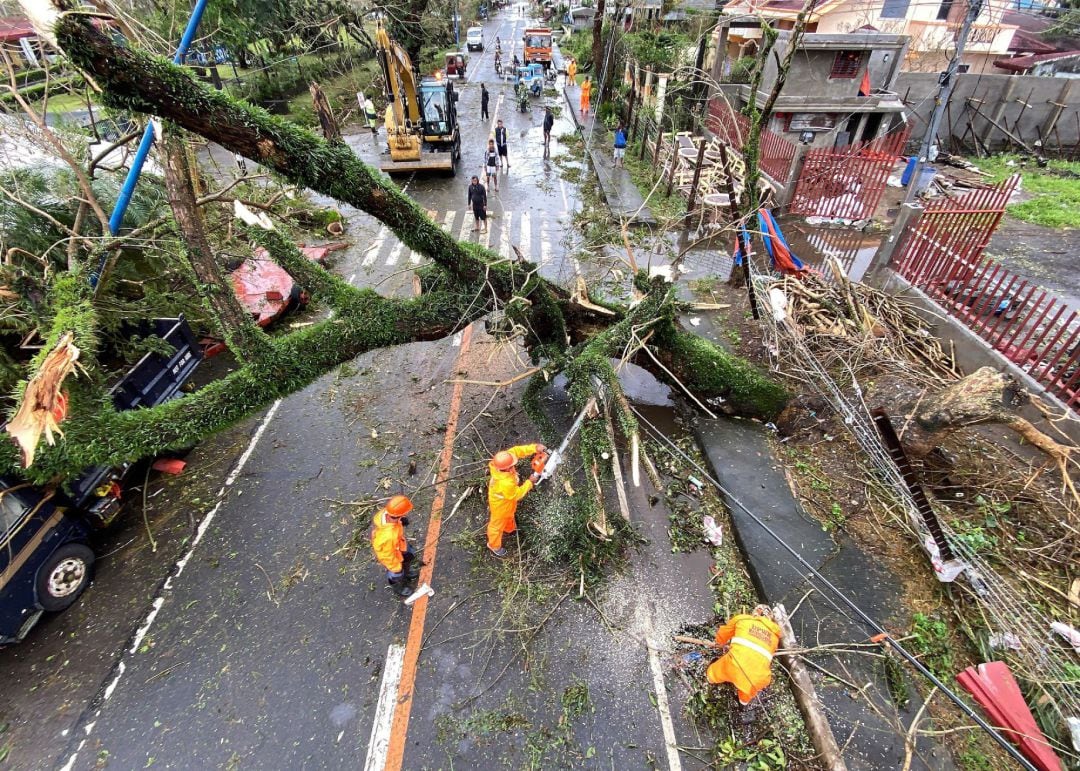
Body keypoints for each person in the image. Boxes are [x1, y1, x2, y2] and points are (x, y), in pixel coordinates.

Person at [707, 605, 782, 705]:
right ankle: (744, 701)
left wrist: (719, 643)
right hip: (756, 679)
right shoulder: (775, 637)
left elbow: (722, 634)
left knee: (716, 671)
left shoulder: (742, 619)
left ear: (756, 612)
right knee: (751, 687)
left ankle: (710, 678)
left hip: (733, 665)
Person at [486, 444, 546, 557]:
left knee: (510, 515)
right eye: (512, 466)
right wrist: (530, 482)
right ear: (506, 468)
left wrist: (534, 448)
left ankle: (510, 529)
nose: (514, 465)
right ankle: (494, 545)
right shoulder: (505, 483)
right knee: (496, 526)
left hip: (507, 502)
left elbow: (517, 451)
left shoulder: (504, 460)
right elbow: (517, 494)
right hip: (500, 506)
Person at [371, 495, 420, 598]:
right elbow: (386, 555)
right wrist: (395, 567)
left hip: (398, 544)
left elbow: (395, 519)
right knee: (396, 573)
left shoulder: (387, 513)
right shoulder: (388, 536)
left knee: (408, 555)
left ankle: (406, 573)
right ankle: (399, 587)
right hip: (391, 553)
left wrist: (400, 522)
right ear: (400, 514)